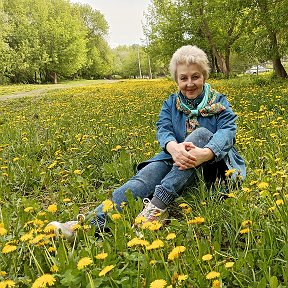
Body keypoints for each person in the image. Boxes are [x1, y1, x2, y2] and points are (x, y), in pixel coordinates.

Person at [47, 45, 246, 241]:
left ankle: (158, 205)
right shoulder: (171, 103)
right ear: (176, 80)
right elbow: (164, 129)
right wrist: (173, 147)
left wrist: (207, 153)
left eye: (195, 77)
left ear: (204, 76)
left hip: (214, 166)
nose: (189, 83)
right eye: (183, 78)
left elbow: (227, 131)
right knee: (143, 179)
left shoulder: (219, 101)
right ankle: (87, 224)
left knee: (201, 134)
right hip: (175, 159)